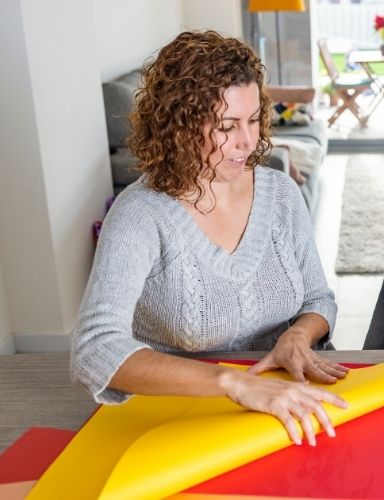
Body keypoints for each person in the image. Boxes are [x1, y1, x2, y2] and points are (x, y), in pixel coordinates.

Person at [70, 31, 348, 447]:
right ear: (180, 126)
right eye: (227, 126)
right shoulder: (140, 214)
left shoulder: (281, 194)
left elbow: (318, 300)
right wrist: (231, 382)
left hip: (280, 402)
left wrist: (298, 335)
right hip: (179, 416)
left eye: (254, 120)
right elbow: (94, 350)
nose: (249, 141)